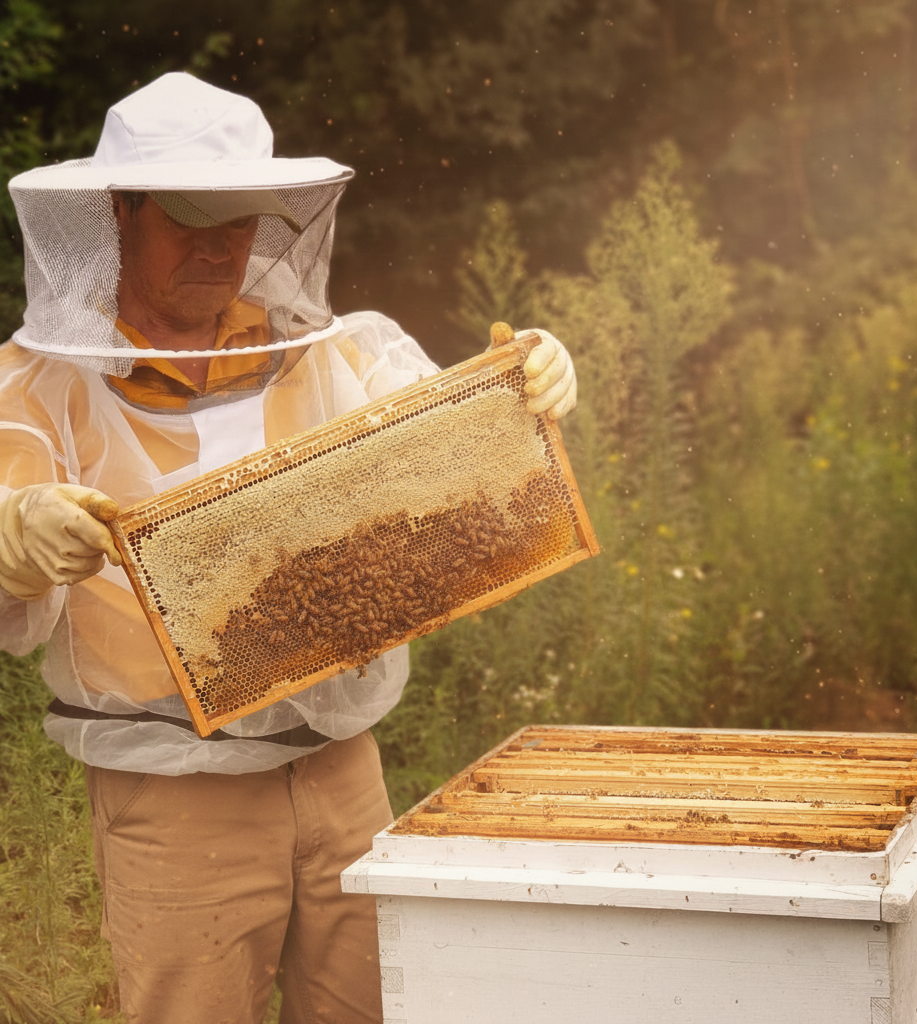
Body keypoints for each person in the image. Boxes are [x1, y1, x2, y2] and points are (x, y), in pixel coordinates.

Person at [0, 72, 576, 1024]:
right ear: (119, 212)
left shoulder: (330, 352)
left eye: (242, 221)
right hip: (175, 798)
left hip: (340, 769)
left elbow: (444, 436)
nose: (221, 247)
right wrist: (13, 535)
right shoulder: (36, 385)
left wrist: (521, 387)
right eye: (192, 219)